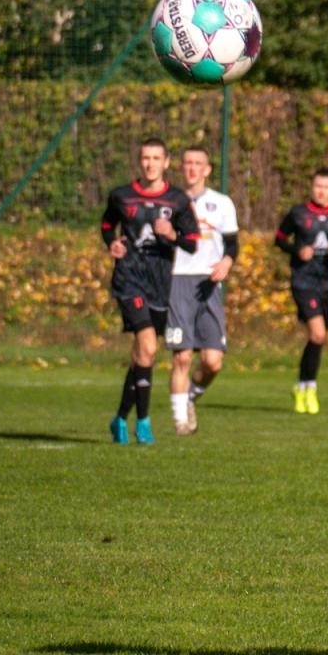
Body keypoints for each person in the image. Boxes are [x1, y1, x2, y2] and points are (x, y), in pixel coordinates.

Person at [100, 137, 200, 446]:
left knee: (142, 356)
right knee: (148, 347)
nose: (150, 163)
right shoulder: (122, 196)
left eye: (156, 158)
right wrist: (112, 244)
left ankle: (120, 418)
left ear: (166, 162)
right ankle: (143, 423)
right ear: (139, 161)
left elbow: (192, 243)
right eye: (146, 158)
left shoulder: (177, 200)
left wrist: (172, 234)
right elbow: (107, 225)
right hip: (129, 279)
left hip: (160, 283)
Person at [167, 145, 239, 436]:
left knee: (212, 361)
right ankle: (180, 423)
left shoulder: (222, 203)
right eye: (187, 163)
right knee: (182, 356)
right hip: (177, 280)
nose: (192, 168)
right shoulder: (169, 201)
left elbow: (232, 244)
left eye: (198, 163)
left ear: (207, 169)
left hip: (209, 283)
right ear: (180, 167)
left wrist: (227, 262)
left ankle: (190, 397)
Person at [275, 168, 328, 414]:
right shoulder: (298, 213)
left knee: (318, 337)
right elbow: (279, 239)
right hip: (303, 280)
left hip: (327, 283)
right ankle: (309, 389)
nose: (321, 191)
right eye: (317, 186)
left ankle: (302, 386)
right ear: (312, 188)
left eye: (326, 187)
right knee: (318, 333)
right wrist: (297, 251)